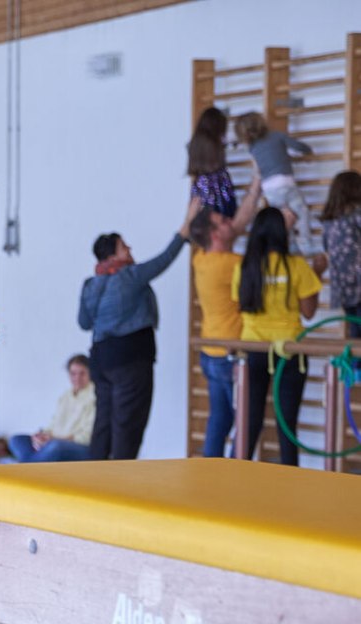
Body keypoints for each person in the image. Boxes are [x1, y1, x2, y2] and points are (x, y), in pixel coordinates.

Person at [78, 196, 202, 460]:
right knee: (128, 427)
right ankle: (122, 488)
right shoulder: (130, 276)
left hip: (100, 360)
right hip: (131, 360)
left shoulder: (90, 284)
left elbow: (84, 323)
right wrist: (186, 226)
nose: (130, 250)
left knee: (104, 425)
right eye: (124, 247)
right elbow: (164, 259)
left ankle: (91, 483)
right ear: (113, 255)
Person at [232, 206, 322, 466]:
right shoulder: (296, 266)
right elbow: (309, 311)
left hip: (252, 348)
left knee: (249, 422)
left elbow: (241, 305)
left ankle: (235, 480)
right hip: (289, 351)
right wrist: (317, 272)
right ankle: (290, 488)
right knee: (287, 425)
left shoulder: (245, 267)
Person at [187, 174, 263, 457]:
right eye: (222, 222)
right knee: (243, 420)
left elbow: (236, 226)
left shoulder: (201, 259)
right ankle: (233, 474)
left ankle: (211, 475)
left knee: (219, 419)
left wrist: (255, 188)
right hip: (229, 353)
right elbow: (244, 234)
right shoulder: (231, 265)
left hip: (210, 351)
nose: (230, 222)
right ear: (215, 234)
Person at [234, 111, 316, 257]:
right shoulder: (277, 136)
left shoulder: (253, 149)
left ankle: (290, 248)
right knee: (301, 212)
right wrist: (308, 151)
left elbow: (257, 171)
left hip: (269, 190)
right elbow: (297, 147)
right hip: (286, 184)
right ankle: (306, 244)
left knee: (282, 220)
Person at [8, 354, 96, 463]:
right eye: (73, 374)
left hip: (78, 447)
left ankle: (28, 466)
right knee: (16, 440)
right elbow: (53, 425)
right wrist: (41, 435)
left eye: (82, 373)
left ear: (90, 373)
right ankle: (32, 464)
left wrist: (53, 439)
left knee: (55, 447)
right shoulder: (65, 396)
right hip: (53, 441)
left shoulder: (95, 395)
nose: (77, 378)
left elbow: (86, 437)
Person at [321, 169, 361, 340]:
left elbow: (326, 247)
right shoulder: (357, 214)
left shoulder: (329, 221)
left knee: (355, 331)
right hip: (359, 284)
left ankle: (355, 366)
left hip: (343, 288)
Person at [188, 106, 237, 218]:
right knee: (223, 216)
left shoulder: (195, 142)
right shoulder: (215, 142)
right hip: (217, 184)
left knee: (204, 219)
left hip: (201, 184)